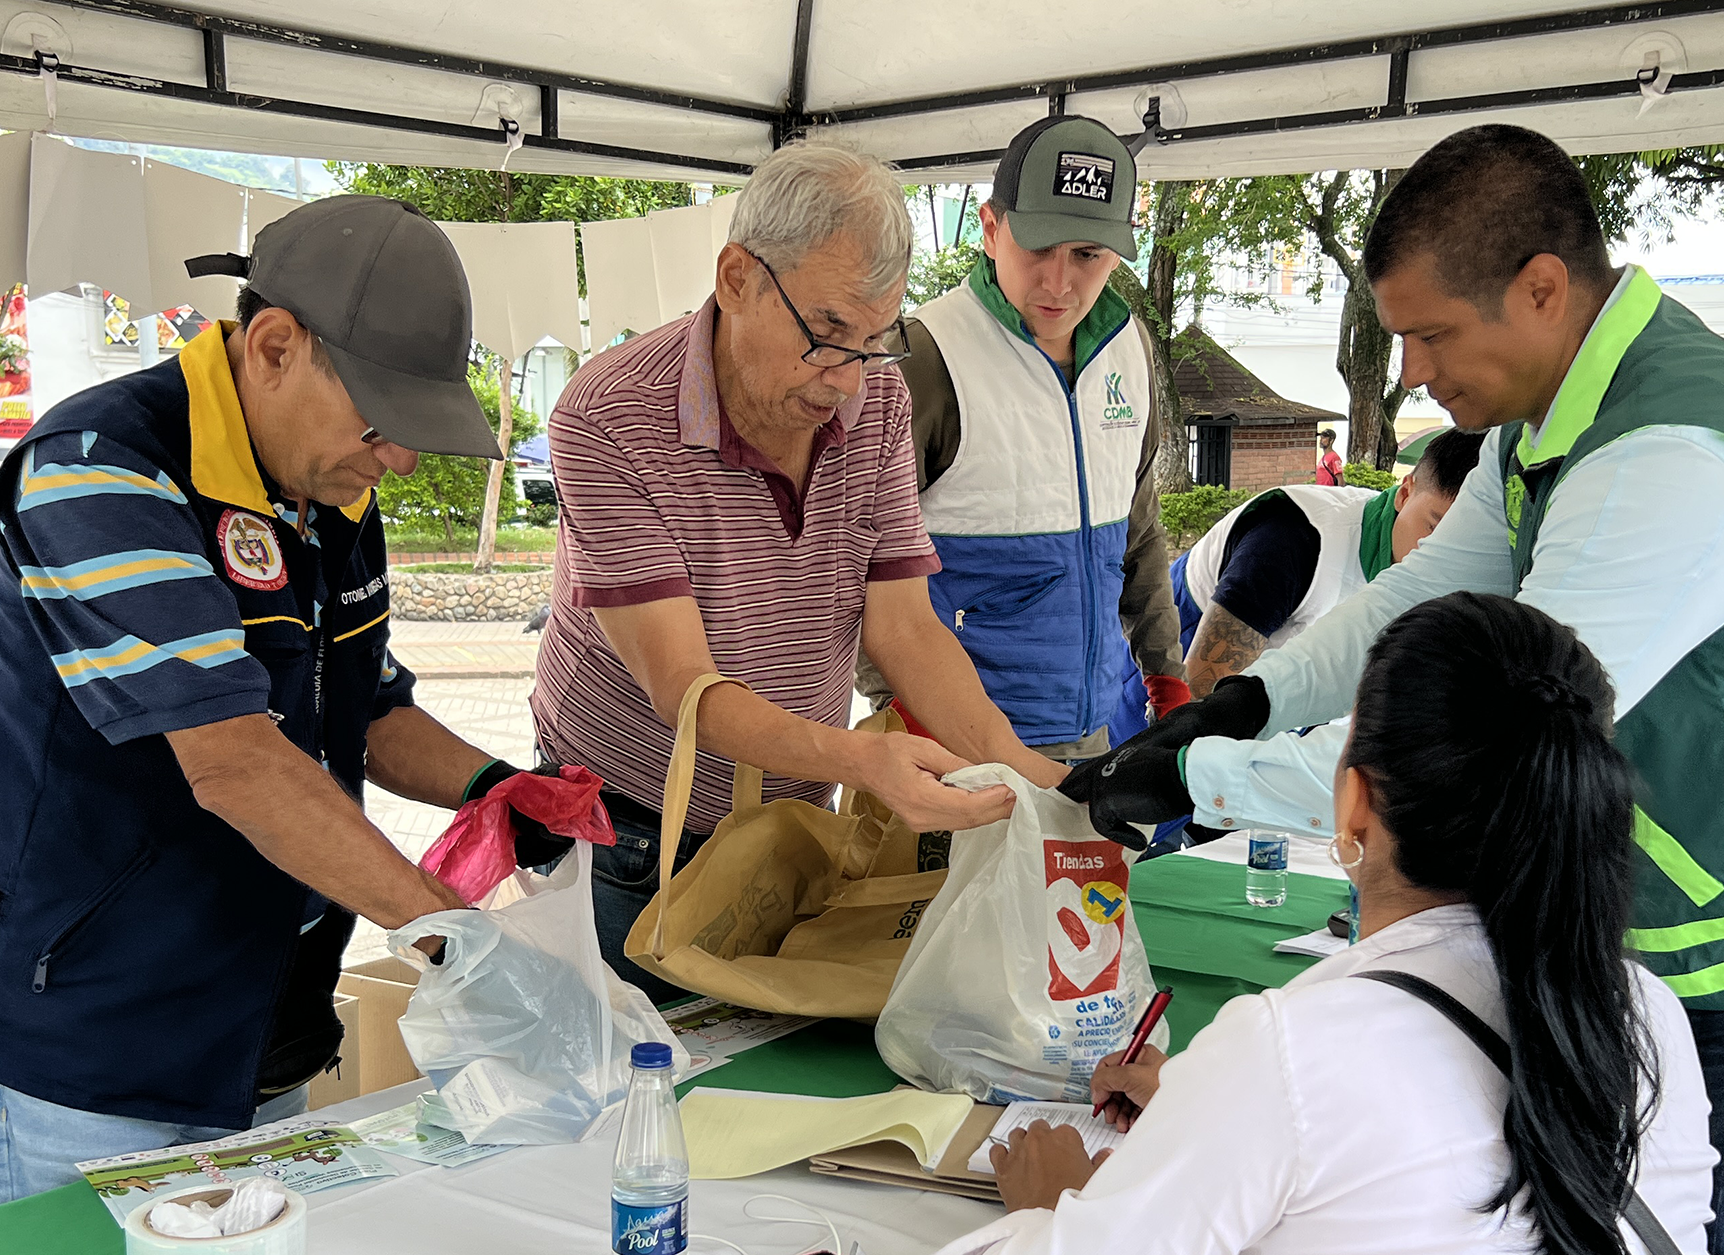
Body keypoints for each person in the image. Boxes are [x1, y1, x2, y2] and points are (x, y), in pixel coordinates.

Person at [1062, 124, 1724, 1255]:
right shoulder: (1560, 411)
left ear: (1543, 286)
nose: (1414, 373)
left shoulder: (1669, 464)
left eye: (1434, 338)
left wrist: (1210, 780)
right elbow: (1429, 595)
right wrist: (1251, 697)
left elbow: (1485, 744)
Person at [929, 595, 1724, 1255]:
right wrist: (1201, 1104)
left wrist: (1048, 1210)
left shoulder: (1291, 1048)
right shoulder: (1642, 1009)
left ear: (1353, 804)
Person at [0, 195, 533, 1206]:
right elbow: (235, 758)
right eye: (382, 421)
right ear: (274, 345)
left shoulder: (324, 489)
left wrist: (497, 789)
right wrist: (456, 938)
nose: (401, 459)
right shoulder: (99, 470)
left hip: (258, 1033)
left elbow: (365, 704)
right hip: (88, 1047)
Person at [530, 140, 1067, 1000]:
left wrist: (1023, 772)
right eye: (825, 337)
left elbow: (904, 628)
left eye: (873, 342)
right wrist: (861, 759)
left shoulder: (880, 400)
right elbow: (683, 687)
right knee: (633, 1099)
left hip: (787, 824)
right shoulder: (606, 416)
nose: (848, 383)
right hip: (624, 831)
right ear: (737, 277)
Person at [865, 113, 1189, 764]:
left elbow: (1138, 530)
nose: (1059, 283)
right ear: (990, 229)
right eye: (1038, 246)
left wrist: (1166, 675)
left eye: (1088, 254)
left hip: (1090, 738)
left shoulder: (1128, 349)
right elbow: (854, 561)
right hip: (950, 750)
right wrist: (899, 711)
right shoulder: (923, 360)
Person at [1178, 426, 1482, 695]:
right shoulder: (1294, 541)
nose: (1442, 555)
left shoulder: (1464, 576)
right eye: (1433, 528)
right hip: (1185, 638)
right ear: (1404, 493)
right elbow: (1200, 691)